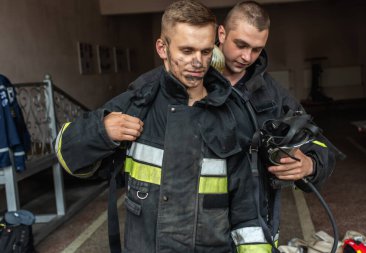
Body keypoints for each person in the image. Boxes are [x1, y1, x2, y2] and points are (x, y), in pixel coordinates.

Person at [54, 1, 264, 252]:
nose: (198, 62)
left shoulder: (230, 112)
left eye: (205, 51)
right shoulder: (136, 104)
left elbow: (245, 209)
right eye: (187, 51)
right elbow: (68, 155)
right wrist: (102, 132)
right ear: (162, 48)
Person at [216, 0, 336, 250]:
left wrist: (310, 164)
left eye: (257, 49)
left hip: (256, 228)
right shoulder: (188, 81)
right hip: (197, 228)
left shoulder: (272, 96)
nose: (246, 57)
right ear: (221, 33)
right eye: (240, 45)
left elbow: (317, 143)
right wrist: (109, 131)